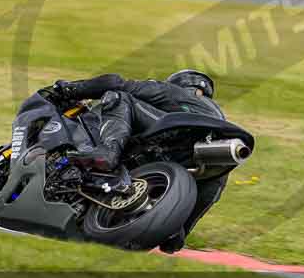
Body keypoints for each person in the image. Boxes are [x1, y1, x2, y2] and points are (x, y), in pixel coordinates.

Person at [48, 69, 227, 253]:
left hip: (174, 136)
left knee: (120, 97)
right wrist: (177, 229)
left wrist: (71, 89)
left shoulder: (174, 92)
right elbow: (177, 239)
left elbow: (116, 82)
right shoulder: (218, 137)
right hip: (186, 162)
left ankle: (108, 152)